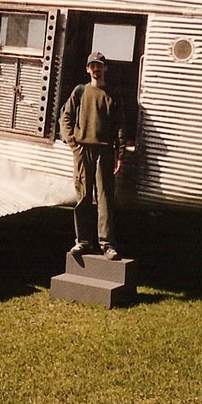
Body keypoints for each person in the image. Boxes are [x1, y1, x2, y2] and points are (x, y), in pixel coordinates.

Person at [59, 52, 126, 260]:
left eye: (100, 65)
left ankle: (107, 244)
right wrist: (73, 144)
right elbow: (65, 118)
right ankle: (83, 241)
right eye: (92, 66)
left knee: (105, 199)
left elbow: (120, 127)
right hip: (82, 151)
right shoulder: (79, 91)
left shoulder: (112, 95)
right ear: (88, 69)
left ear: (105, 69)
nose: (96, 69)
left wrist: (119, 154)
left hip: (104, 151)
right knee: (83, 197)